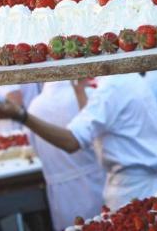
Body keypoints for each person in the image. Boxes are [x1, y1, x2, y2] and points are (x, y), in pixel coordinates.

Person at [0, 73, 157, 211]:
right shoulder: (129, 79)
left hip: (134, 192)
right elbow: (94, 122)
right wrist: (79, 90)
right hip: (145, 185)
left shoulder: (112, 88)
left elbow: (72, 142)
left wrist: (22, 116)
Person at [27, 81, 105, 230]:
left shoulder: (34, 106)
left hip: (61, 195)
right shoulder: (87, 94)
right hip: (94, 186)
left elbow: (35, 150)